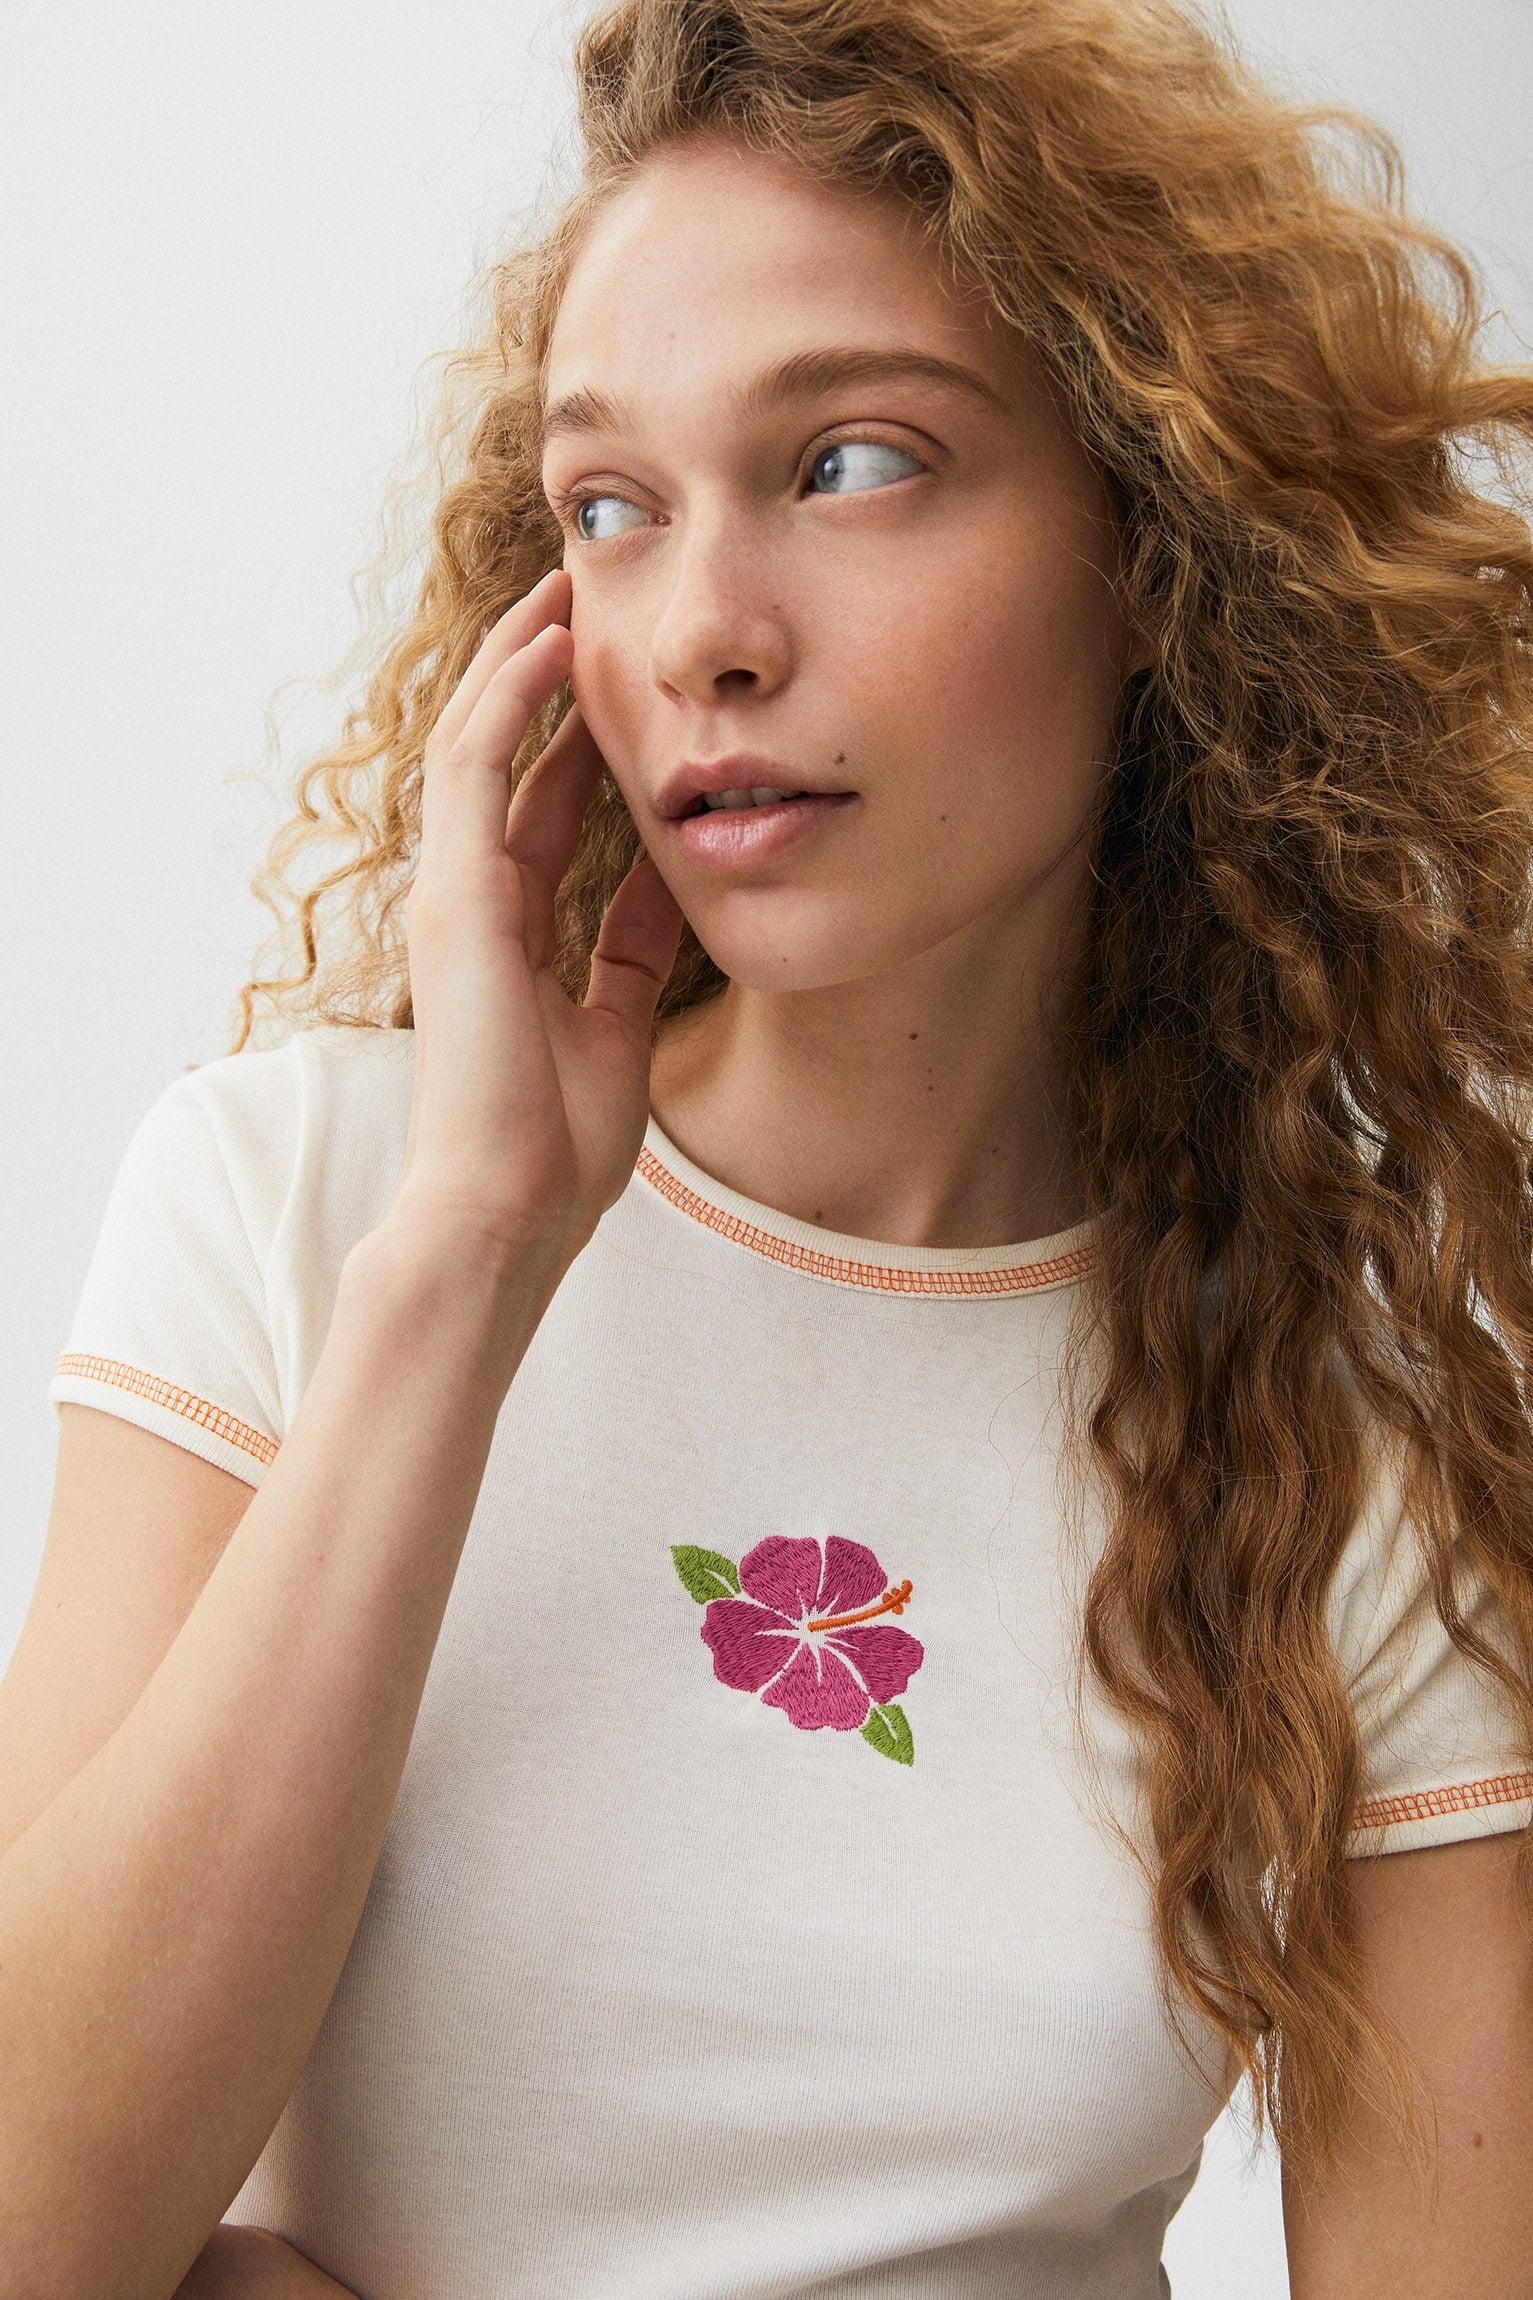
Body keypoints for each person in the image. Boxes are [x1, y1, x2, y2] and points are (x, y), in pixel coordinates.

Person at [3, 0, 1532, 2292]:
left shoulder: (1358, 1458)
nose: (701, 631)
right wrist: (470, 1252)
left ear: (1152, 550)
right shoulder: (295, 1206)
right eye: (608, 508)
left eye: (849, 465)